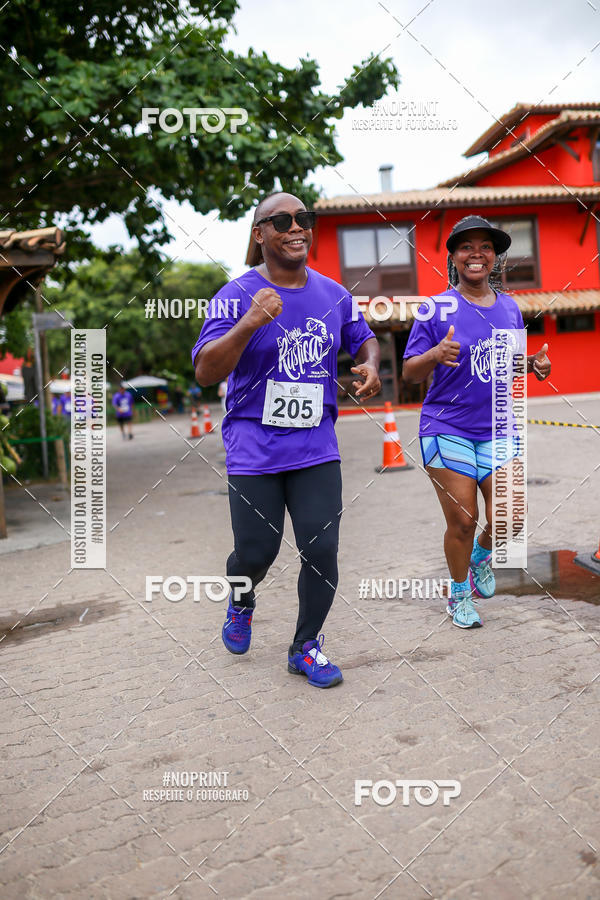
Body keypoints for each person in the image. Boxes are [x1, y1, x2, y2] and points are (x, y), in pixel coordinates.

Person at [193, 192, 381, 687]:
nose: (296, 228)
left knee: (322, 549)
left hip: (316, 447)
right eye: (282, 221)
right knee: (256, 553)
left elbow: (363, 335)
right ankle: (241, 596)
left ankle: (305, 647)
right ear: (260, 234)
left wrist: (371, 363)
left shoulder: (334, 294)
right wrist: (251, 321)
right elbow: (205, 371)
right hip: (254, 450)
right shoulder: (235, 295)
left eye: (304, 219)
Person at [403, 215, 551, 629]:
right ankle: (458, 593)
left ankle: (481, 558)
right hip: (445, 426)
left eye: (485, 247)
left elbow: (510, 362)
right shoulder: (435, 308)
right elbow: (410, 373)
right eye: (467, 246)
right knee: (463, 520)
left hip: (498, 426)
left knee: (510, 518)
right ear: (453, 257)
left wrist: (533, 366)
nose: (477, 254)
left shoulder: (508, 307)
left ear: (494, 258)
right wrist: (434, 355)